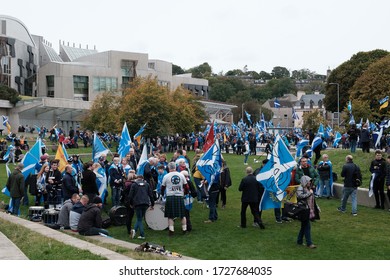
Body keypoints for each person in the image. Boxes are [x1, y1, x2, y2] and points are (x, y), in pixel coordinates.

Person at [160, 161, 189, 236]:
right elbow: (186, 187)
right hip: (179, 196)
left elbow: (162, 188)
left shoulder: (166, 176)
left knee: (170, 216)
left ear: (169, 168)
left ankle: (171, 231)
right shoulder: (181, 175)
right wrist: (185, 193)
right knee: (182, 215)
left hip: (170, 196)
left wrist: (162, 194)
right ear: (175, 167)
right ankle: (184, 229)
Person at [128, 174, 155, 239]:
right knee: (139, 218)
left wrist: (130, 203)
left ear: (137, 178)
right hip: (145, 203)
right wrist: (152, 203)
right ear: (143, 179)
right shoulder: (147, 184)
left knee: (139, 219)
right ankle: (134, 230)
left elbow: (130, 196)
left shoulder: (134, 185)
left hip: (137, 203)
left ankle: (142, 235)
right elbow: (151, 195)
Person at [296, 175, 317, 248]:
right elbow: (300, 196)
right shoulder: (300, 188)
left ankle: (299, 241)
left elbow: (312, 200)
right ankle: (309, 243)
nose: (309, 182)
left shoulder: (307, 188)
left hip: (307, 209)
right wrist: (309, 193)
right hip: (303, 210)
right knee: (307, 226)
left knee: (304, 226)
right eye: (308, 181)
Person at [122, 171, 136, 237]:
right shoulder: (132, 184)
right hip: (130, 201)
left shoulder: (126, 183)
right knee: (130, 215)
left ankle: (128, 228)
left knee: (129, 214)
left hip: (126, 200)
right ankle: (129, 229)